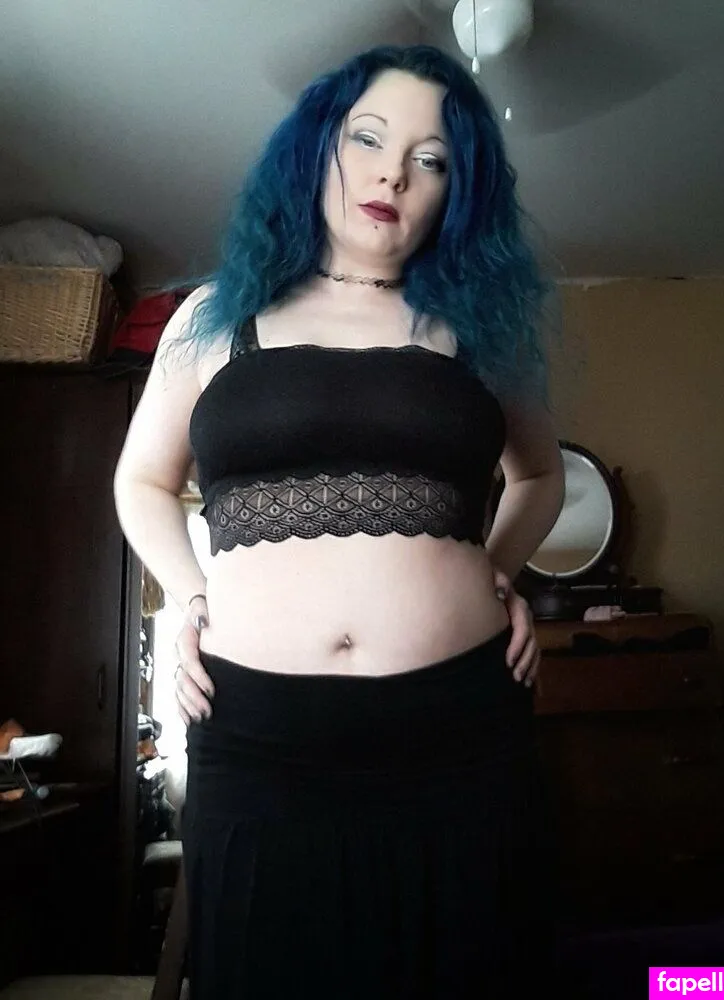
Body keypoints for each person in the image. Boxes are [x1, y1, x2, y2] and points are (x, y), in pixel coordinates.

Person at [114, 43, 564, 1000]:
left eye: (431, 159)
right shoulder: (214, 318)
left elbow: (539, 476)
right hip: (259, 734)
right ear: (317, 147)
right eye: (368, 138)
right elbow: (143, 482)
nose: (392, 173)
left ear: (457, 193)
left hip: (459, 731)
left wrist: (496, 568)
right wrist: (191, 597)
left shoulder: (479, 332)